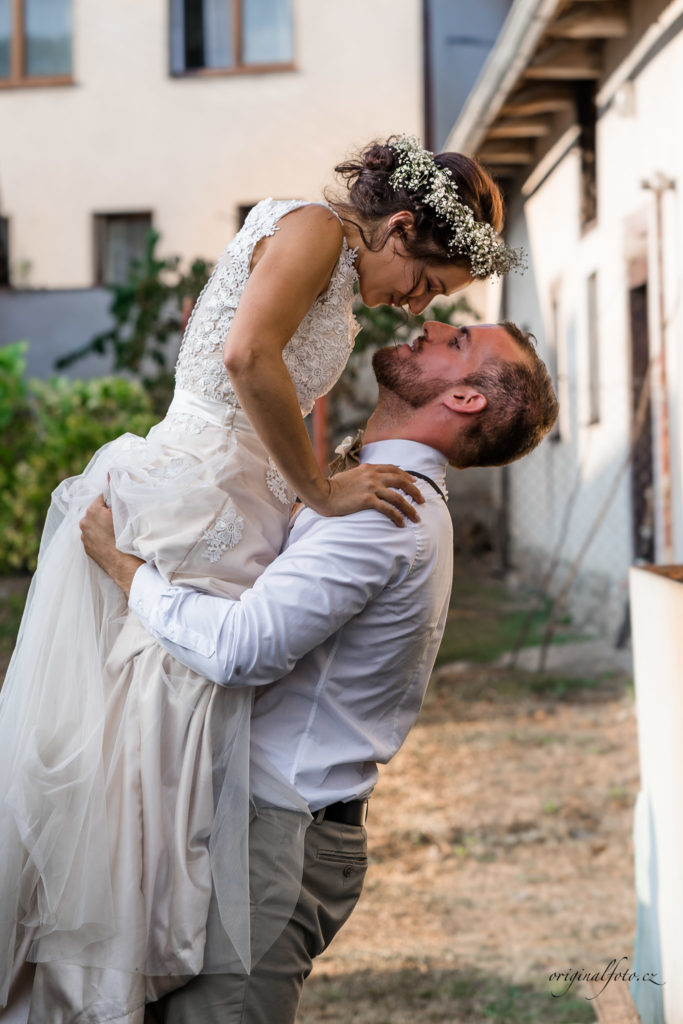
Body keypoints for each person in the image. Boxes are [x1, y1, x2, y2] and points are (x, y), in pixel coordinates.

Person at [0, 136, 525, 1022]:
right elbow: (247, 358)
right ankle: (99, 962)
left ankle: (134, 953)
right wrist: (318, 491)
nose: (418, 305)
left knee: (159, 746)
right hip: (199, 497)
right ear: (400, 227)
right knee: (138, 736)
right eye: (427, 283)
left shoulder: (331, 271)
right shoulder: (315, 228)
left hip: (236, 497)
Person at [79, 318, 559, 1023]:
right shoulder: (366, 493)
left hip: (276, 839)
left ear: (464, 399)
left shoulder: (383, 512)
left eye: (456, 341)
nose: (431, 325)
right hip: (262, 823)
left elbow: (241, 649)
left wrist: (125, 570)